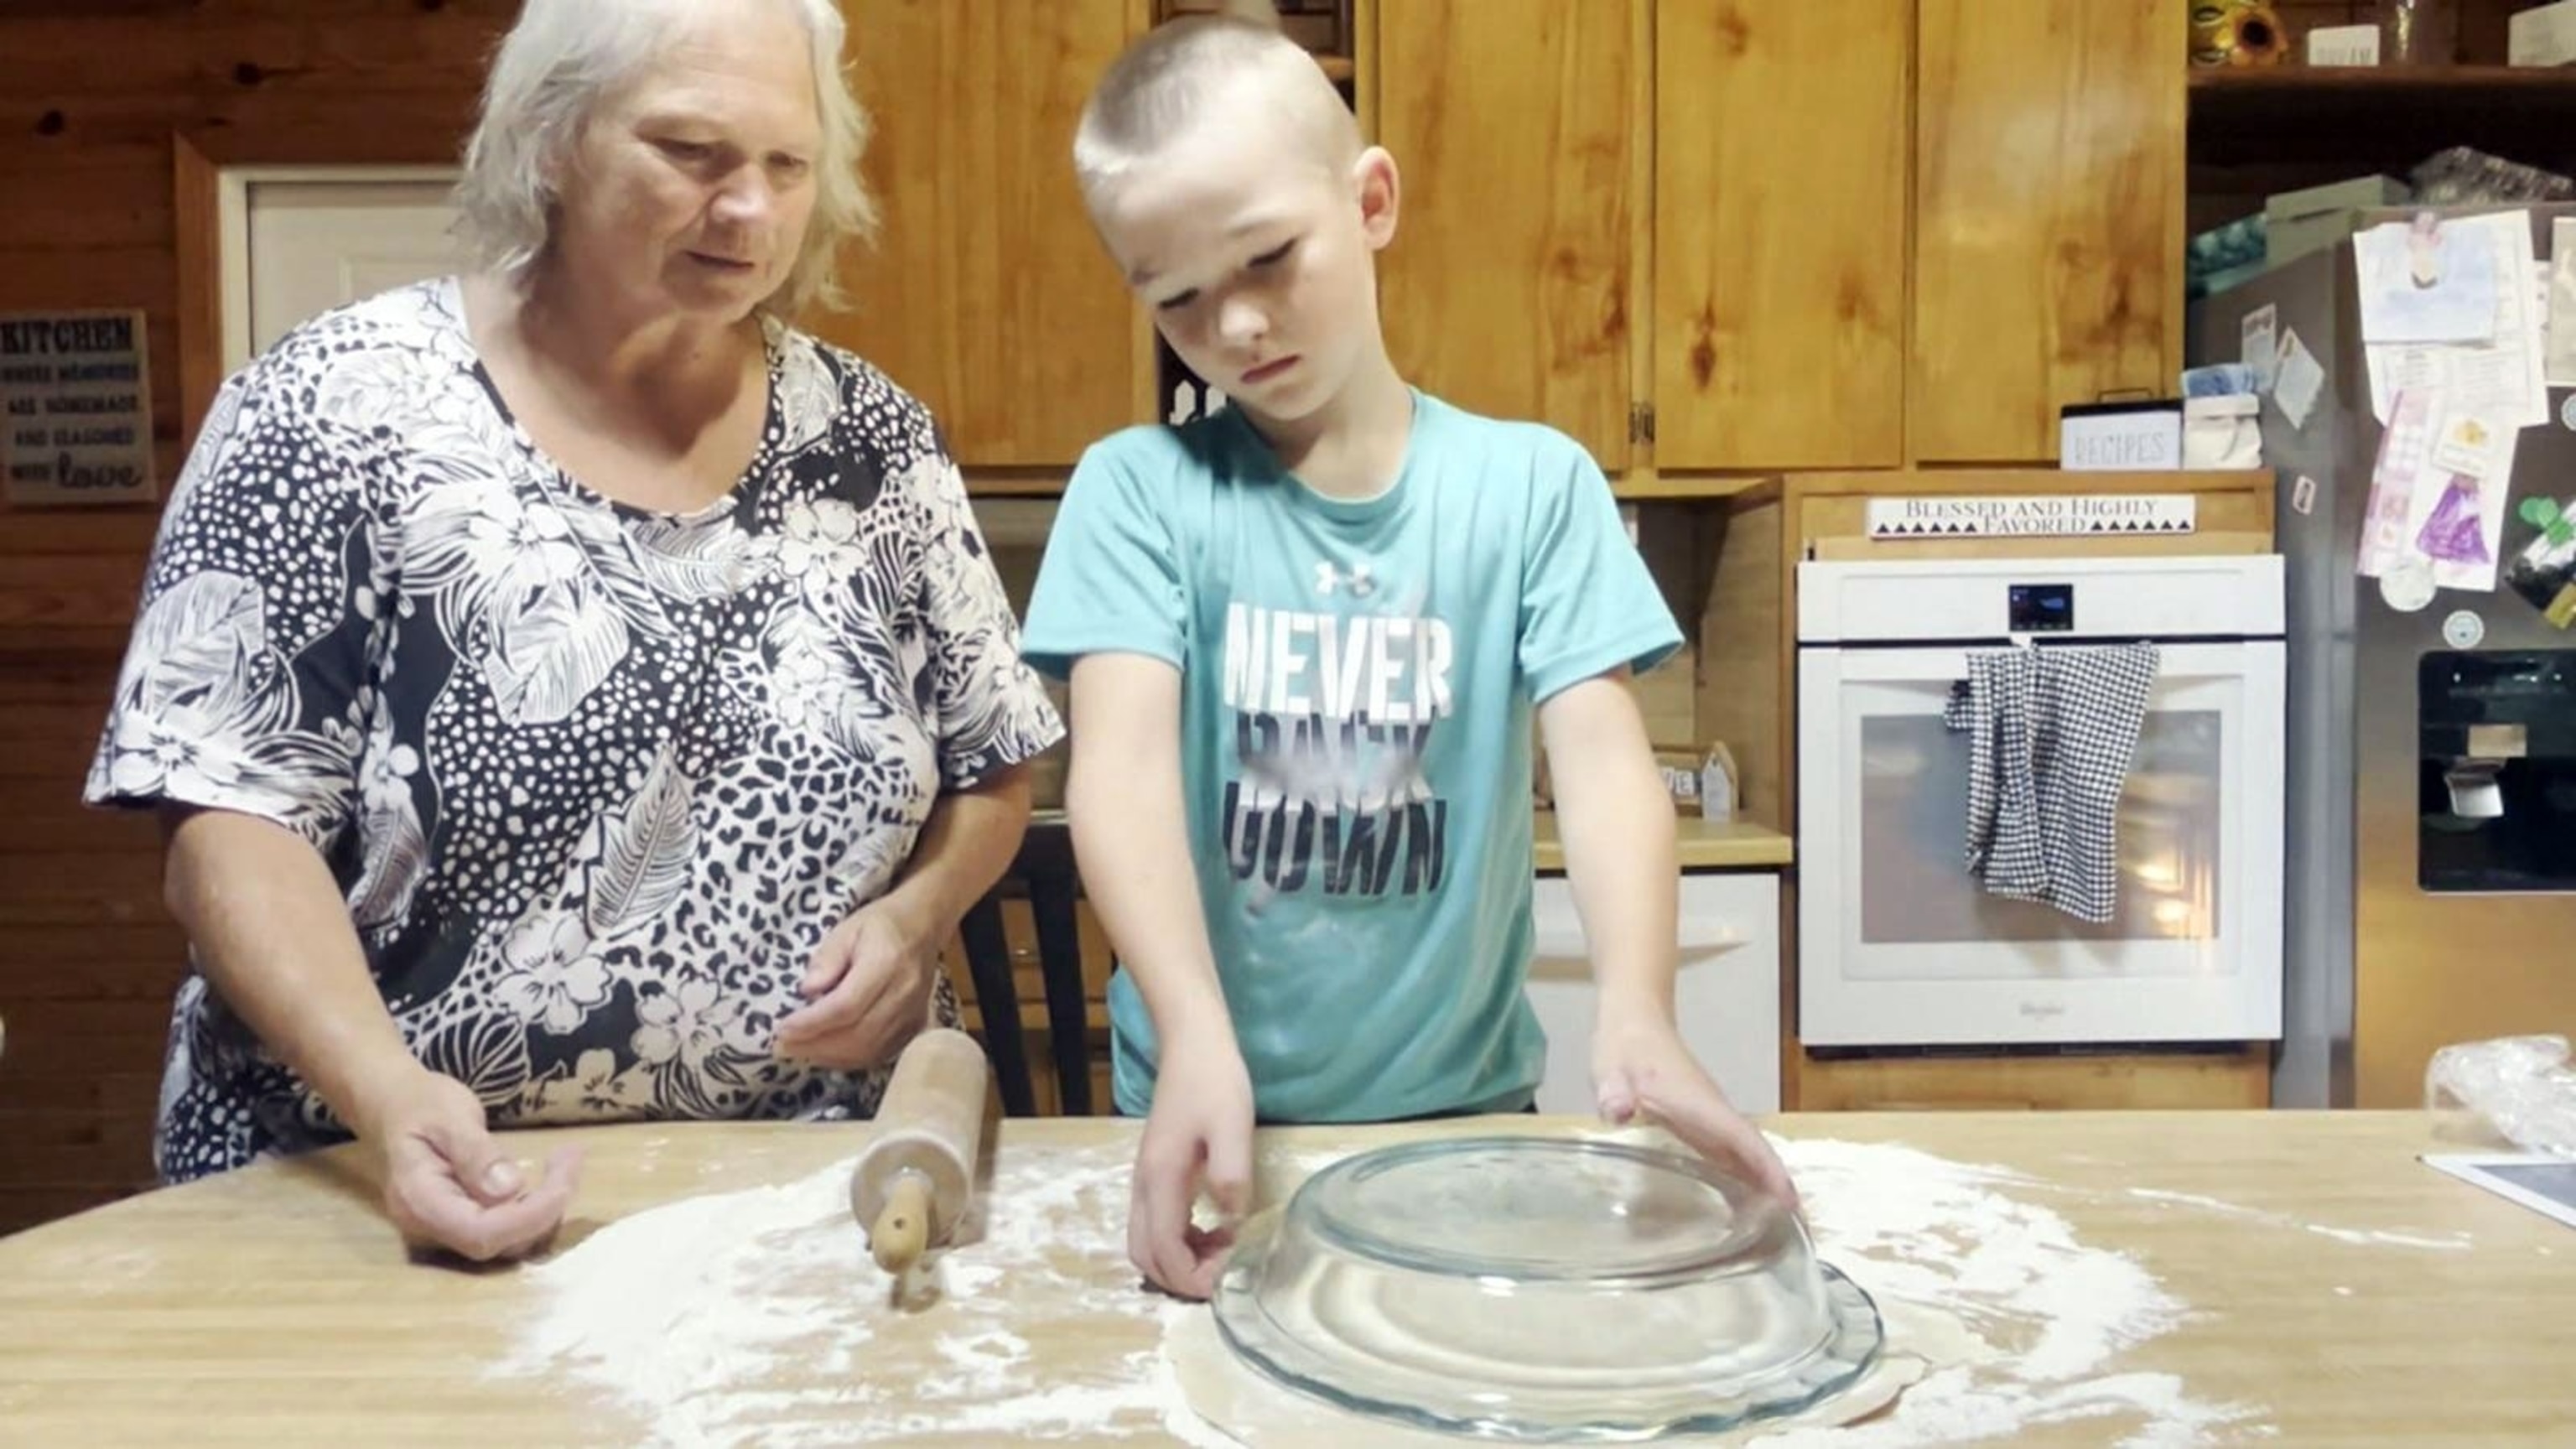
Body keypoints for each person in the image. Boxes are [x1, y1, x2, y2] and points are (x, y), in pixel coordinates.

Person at [82, 0, 1062, 1263]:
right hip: (377, 1191)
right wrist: (389, 1100)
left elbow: (994, 764)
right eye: (692, 154)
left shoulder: (873, 445)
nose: (751, 212)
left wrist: (919, 919)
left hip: (799, 1210)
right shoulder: (331, 411)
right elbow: (226, 825)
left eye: (787, 164)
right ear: (549, 142)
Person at [1020, 5, 1799, 1301]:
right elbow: (1120, 774)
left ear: (1371, 199)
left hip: (1468, 1117)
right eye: (1182, 299)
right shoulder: (1136, 491)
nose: (1239, 327)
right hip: (1213, 1119)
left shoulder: (1531, 486)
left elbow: (1605, 769)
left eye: (1270, 257)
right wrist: (1198, 1033)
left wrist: (1640, 1008)